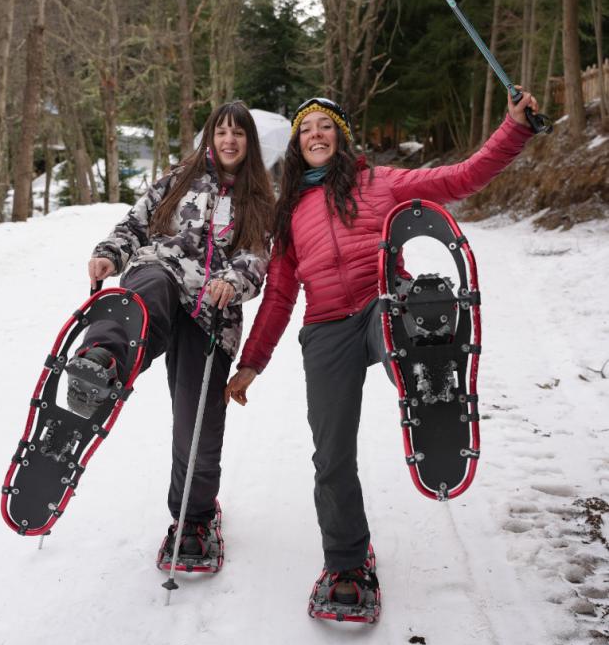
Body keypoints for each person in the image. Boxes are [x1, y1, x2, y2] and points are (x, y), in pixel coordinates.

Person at [225, 89, 540, 615]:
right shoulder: (289, 216)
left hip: (381, 307)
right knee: (331, 457)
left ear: (341, 138)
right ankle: (347, 562)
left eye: (325, 127)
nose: (316, 135)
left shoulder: (381, 182)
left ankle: (430, 380)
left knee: (414, 305)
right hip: (326, 329)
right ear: (297, 147)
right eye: (306, 130)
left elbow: (460, 177)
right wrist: (252, 363)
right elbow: (280, 296)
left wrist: (514, 129)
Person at [66, 100, 274, 565]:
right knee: (139, 302)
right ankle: (100, 363)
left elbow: (257, 259)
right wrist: (109, 253)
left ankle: (195, 517)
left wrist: (232, 281)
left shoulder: (259, 199)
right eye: (221, 132)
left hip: (211, 311)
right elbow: (134, 224)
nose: (228, 140)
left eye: (238, 134)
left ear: (249, 143)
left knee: (196, 426)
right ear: (209, 137)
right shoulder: (175, 180)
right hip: (159, 276)